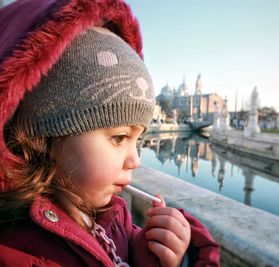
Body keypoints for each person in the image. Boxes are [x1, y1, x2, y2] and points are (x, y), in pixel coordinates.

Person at [0, 1, 220, 266]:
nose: (136, 160)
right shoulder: (15, 251)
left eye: (137, 139)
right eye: (119, 138)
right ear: (47, 136)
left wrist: (146, 252)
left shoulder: (112, 214)